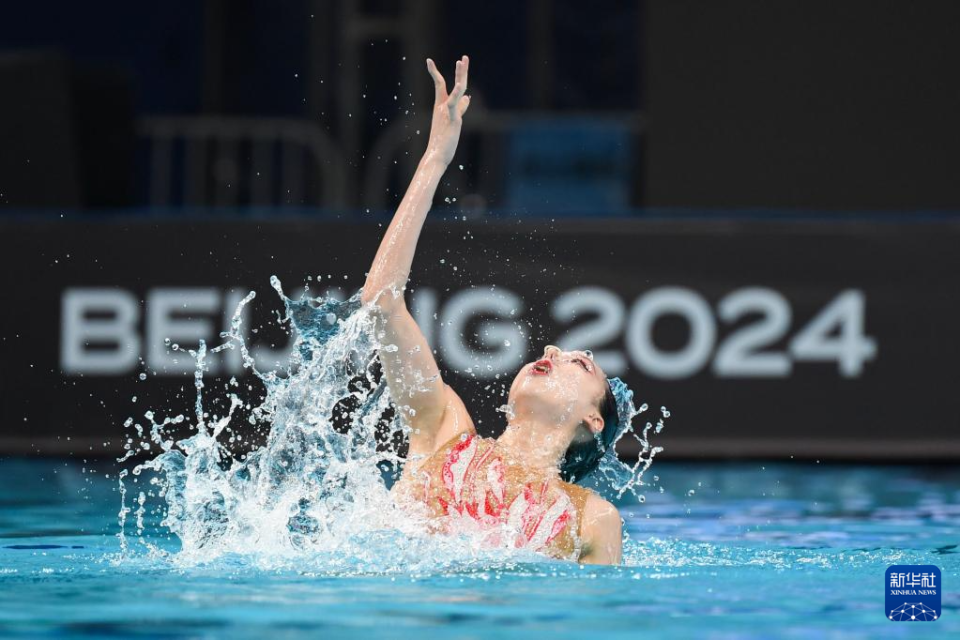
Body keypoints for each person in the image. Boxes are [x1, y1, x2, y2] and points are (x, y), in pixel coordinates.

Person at [361, 56, 622, 565]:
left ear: (593, 419)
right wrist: (435, 158)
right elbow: (380, 303)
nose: (551, 349)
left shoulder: (592, 518)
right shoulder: (441, 430)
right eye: (558, 349)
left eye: (581, 362)